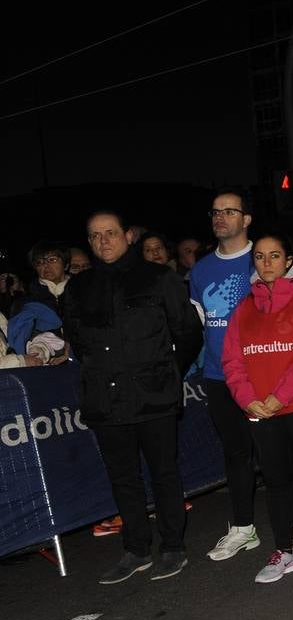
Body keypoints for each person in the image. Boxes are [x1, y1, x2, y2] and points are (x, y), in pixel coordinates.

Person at [64, 209, 203, 583]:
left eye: (110, 233)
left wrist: (165, 372)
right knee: (122, 478)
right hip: (105, 402)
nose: (102, 241)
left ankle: (173, 546)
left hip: (153, 396)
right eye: (94, 236)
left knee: (163, 473)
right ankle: (136, 549)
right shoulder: (79, 288)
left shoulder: (160, 278)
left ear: (128, 236)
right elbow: (78, 340)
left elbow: (188, 333)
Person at [221, 234, 293, 583]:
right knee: (275, 482)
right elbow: (231, 360)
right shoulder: (244, 308)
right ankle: (283, 552)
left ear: (288, 261)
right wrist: (247, 399)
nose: (267, 262)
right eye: (259, 256)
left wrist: (278, 397)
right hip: (261, 410)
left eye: (275, 255)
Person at [193, 190, 293, 561]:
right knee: (235, 454)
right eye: (216, 211)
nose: (221, 217)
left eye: (230, 211)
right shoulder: (201, 269)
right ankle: (242, 527)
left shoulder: (266, 257)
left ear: (247, 218)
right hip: (220, 377)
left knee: (279, 452)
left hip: (266, 376)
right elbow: (201, 327)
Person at [25, 241, 71, 318]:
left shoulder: (81, 290)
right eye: (39, 262)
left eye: (52, 260)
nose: (45, 265)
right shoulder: (30, 299)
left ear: (66, 265)